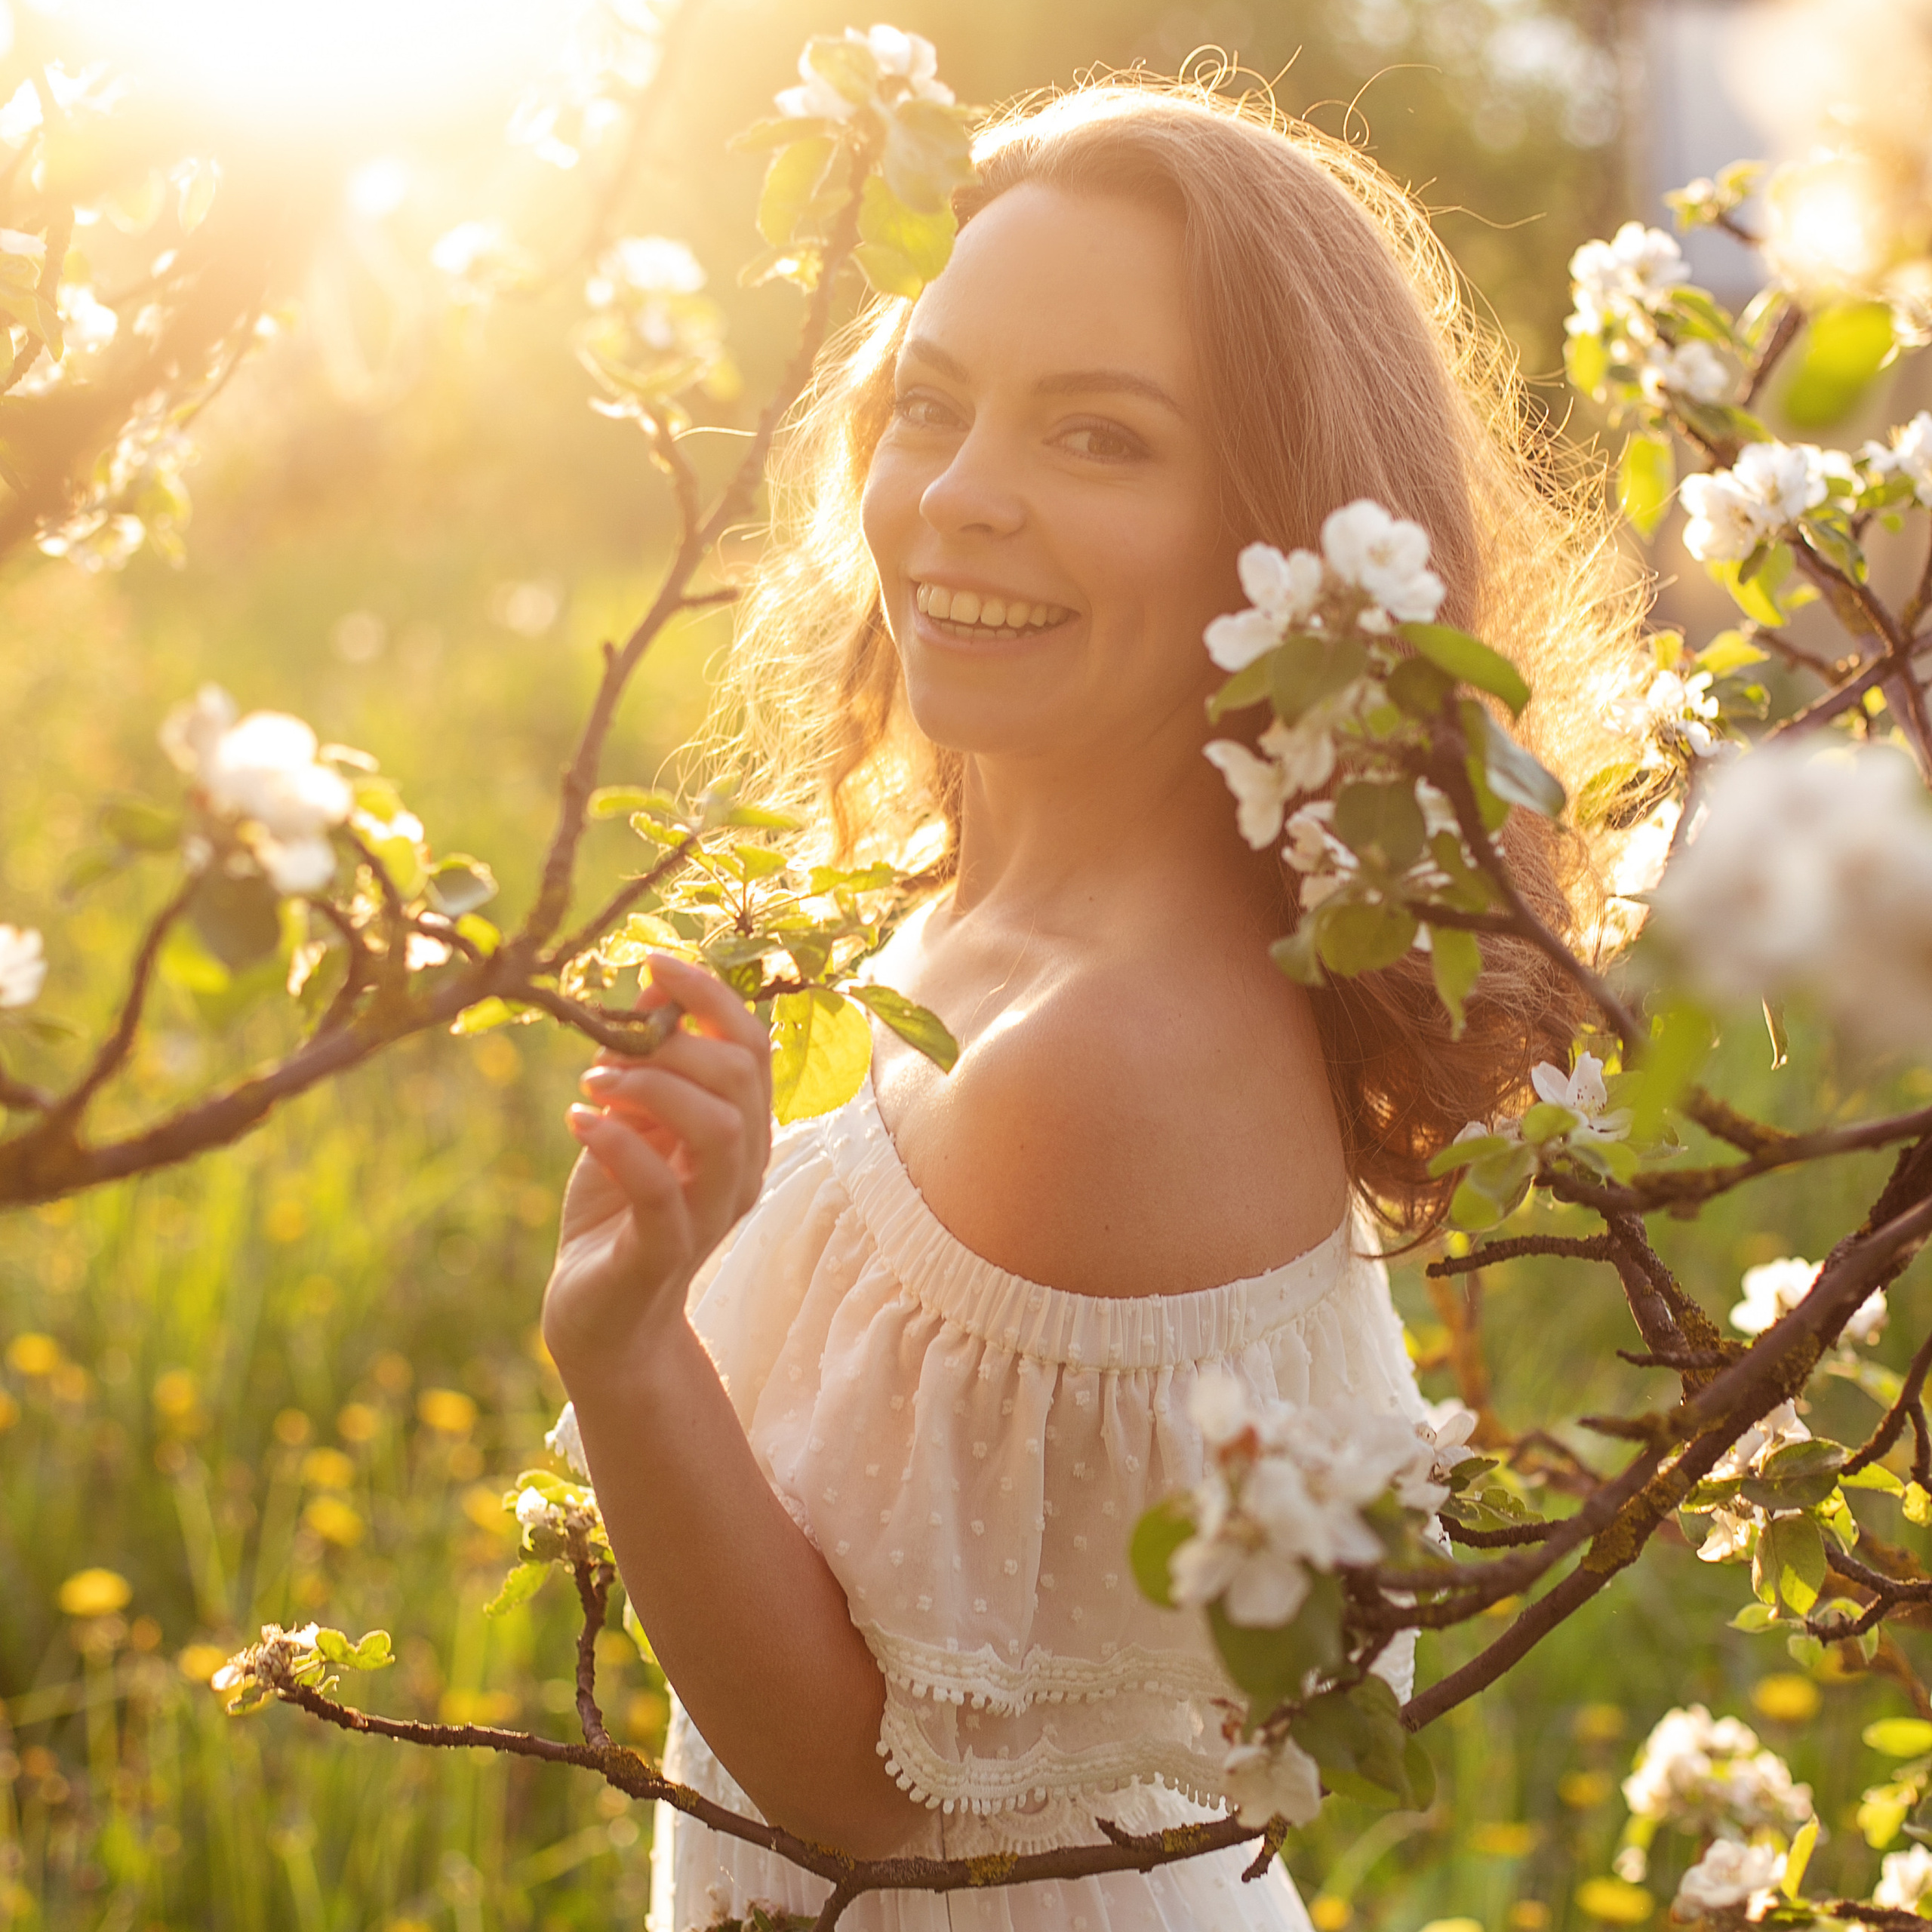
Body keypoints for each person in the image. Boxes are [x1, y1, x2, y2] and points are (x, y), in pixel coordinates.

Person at [542, 75, 1634, 1932]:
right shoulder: (980, 923)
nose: (961, 495)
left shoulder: (1116, 1054)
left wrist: (626, 1351)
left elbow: (852, 1796)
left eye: (1100, 438)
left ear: (1274, 535)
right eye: (933, 405)